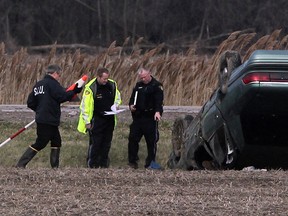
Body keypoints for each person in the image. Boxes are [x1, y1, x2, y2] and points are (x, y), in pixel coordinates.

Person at [16, 64, 83, 168]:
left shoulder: (38, 85)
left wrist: (39, 110)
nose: (59, 77)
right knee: (41, 143)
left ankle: (55, 167)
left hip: (44, 118)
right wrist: (75, 91)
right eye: (59, 75)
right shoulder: (52, 84)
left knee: (56, 141)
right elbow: (62, 96)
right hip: (48, 119)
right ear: (55, 73)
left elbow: (30, 102)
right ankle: (21, 164)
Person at [77, 67, 121, 168]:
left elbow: (118, 97)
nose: (106, 81)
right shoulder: (91, 88)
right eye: (104, 79)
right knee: (96, 143)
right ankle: (92, 164)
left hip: (109, 119)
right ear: (98, 77)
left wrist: (116, 105)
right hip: (97, 119)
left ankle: (104, 164)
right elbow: (85, 106)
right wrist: (87, 121)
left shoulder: (112, 85)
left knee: (107, 142)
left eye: (107, 78)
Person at [128, 68, 164, 169]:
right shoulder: (138, 86)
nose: (143, 79)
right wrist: (131, 106)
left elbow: (159, 101)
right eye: (141, 78)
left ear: (149, 74)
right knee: (132, 139)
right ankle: (132, 162)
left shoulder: (156, 86)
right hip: (138, 117)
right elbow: (131, 100)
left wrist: (157, 112)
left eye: (145, 77)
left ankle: (150, 163)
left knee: (151, 141)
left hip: (150, 117)